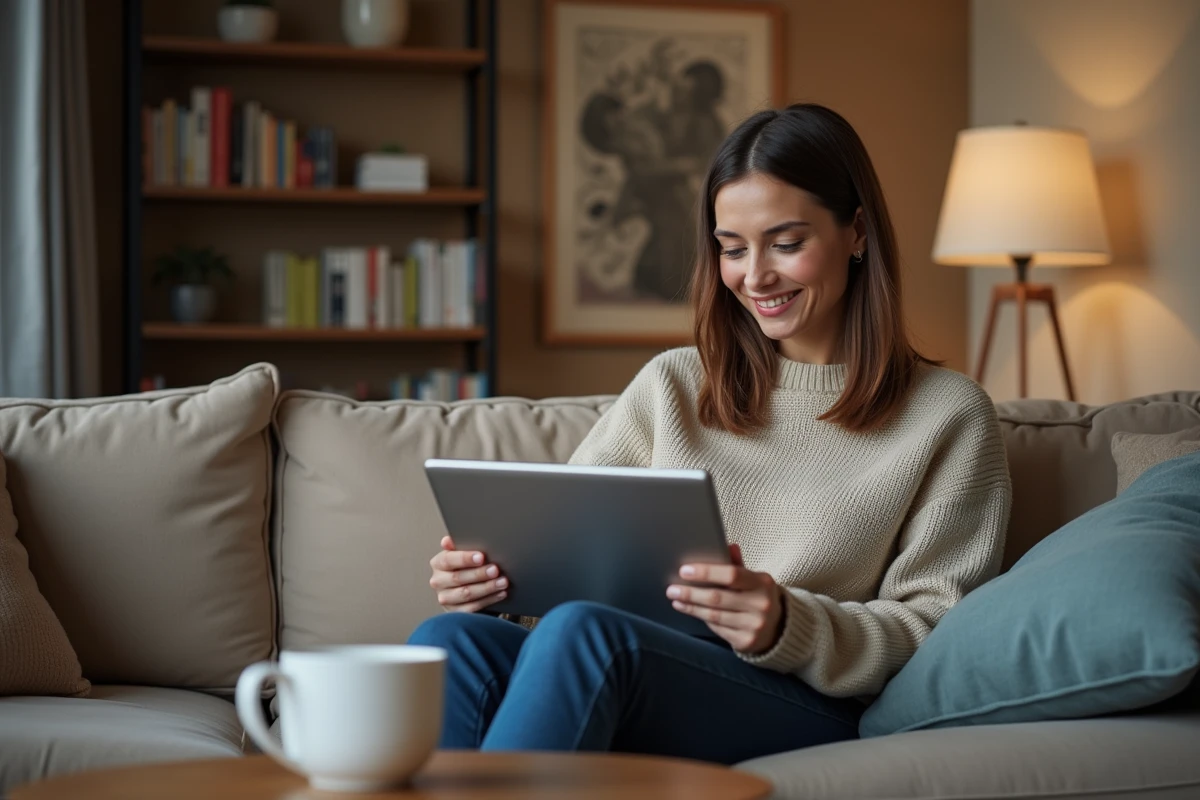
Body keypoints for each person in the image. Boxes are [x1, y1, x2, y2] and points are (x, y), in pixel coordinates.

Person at [409, 103, 1013, 764]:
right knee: (452, 639)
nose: (755, 276)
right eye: (732, 248)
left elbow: (936, 629)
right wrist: (496, 588)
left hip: (809, 697)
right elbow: (561, 556)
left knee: (588, 634)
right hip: (644, 665)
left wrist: (789, 623)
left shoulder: (948, 414)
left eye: (786, 243)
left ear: (858, 232)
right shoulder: (673, 384)